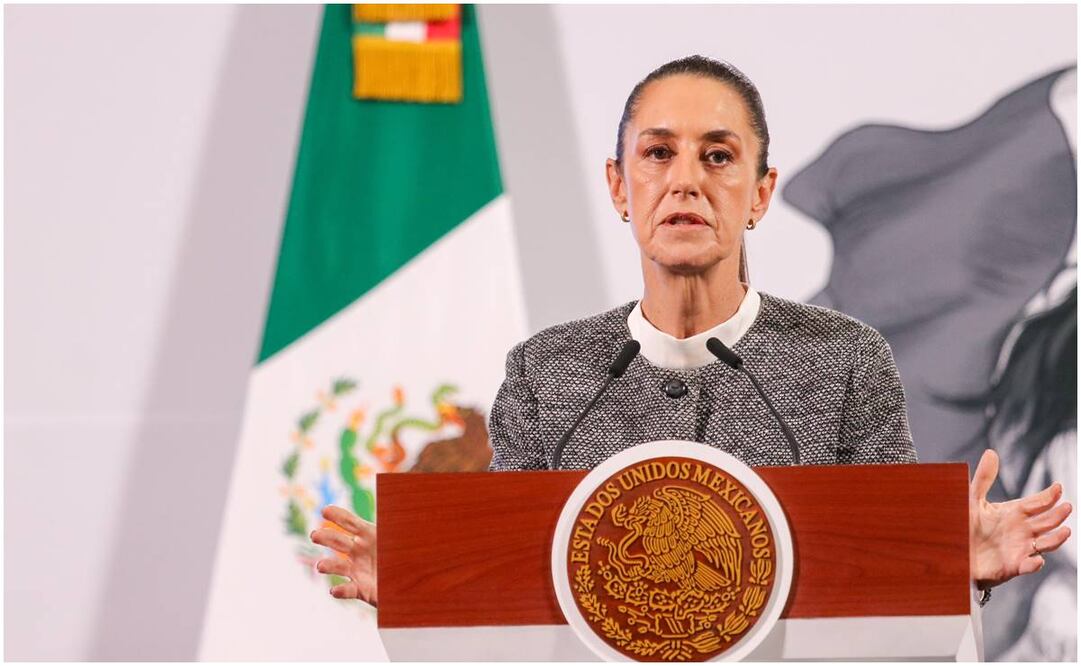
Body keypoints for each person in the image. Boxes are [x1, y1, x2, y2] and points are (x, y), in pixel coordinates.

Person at [310, 55, 1072, 610]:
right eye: (657, 154)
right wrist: (414, 580)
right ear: (618, 186)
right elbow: (513, 567)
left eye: (717, 156)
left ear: (760, 193)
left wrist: (951, 561)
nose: (685, 181)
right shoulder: (550, 371)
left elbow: (882, 560)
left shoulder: (844, 359)